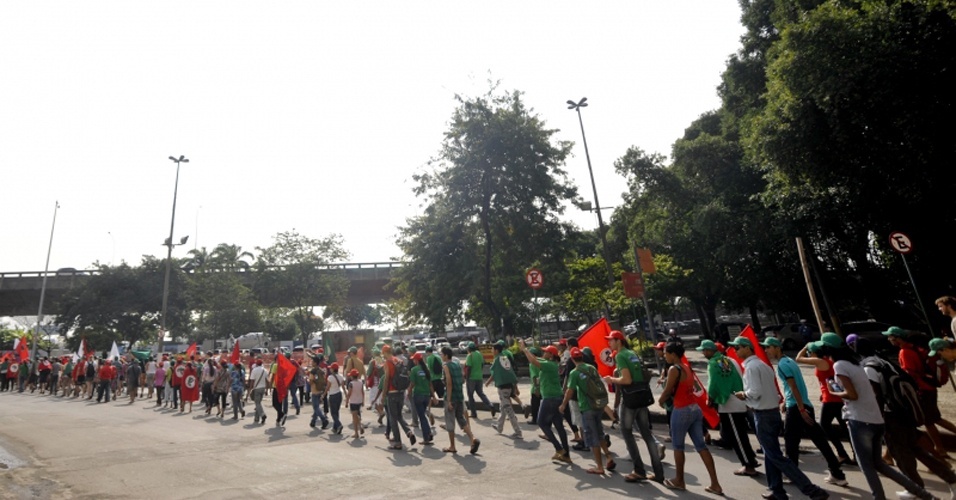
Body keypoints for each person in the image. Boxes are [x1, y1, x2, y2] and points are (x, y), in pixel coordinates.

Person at [818, 333, 938, 500]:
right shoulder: (856, 364)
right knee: (879, 464)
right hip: (876, 420)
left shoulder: (839, 365)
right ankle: (925, 495)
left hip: (860, 420)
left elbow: (852, 394)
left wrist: (833, 391)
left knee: (866, 466)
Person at [731, 336, 830, 500]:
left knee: (775, 455)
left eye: (738, 347)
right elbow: (776, 392)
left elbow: (755, 393)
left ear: (747, 349)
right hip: (772, 412)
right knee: (771, 454)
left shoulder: (752, 368)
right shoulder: (764, 366)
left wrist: (743, 395)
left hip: (762, 414)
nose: (736, 351)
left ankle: (811, 489)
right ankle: (776, 489)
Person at [762, 336, 847, 487]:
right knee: (818, 440)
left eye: (768, 347)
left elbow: (794, 387)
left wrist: (800, 408)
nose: (766, 350)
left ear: (777, 348)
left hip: (798, 407)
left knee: (791, 441)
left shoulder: (783, 364)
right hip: (800, 404)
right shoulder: (789, 361)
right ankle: (837, 473)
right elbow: (792, 387)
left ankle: (792, 474)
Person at [655, 342, 722, 494]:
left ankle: (679, 480)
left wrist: (660, 401)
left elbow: (667, 391)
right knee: (701, 446)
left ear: (673, 354)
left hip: (681, 410)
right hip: (694, 409)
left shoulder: (674, 368)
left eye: (666, 353)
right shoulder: (687, 367)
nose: (665, 356)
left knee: (678, 446)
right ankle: (715, 484)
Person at [885, 326, 956, 460]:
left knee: (927, 421)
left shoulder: (904, 352)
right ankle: (939, 450)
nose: (889, 339)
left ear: (898, 338)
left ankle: (938, 451)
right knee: (932, 420)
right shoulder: (914, 348)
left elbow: (910, 374)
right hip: (928, 388)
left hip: (920, 390)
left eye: (891, 337)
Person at [605, 330, 664, 482]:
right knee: (646, 434)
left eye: (611, 340)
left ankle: (639, 470)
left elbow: (626, 380)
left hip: (630, 397)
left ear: (619, 341)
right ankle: (658, 473)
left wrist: (612, 379)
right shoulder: (632, 354)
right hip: (642, 396)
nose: (609, 343)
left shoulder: (621, 356)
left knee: (626, 432)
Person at [698, 339, 759, 477]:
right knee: (740, 434)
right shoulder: (729, 360)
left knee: (737, 436)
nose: (702, 353)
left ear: (708, 350)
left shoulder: (713, 364)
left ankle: (748, 465)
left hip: (729, 404)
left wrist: (711, 398)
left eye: (703, 350)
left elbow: (713, 384)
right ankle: (750, 459)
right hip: (739, 401)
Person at [795, 340, 855, 466]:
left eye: (810, 352)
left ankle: (842, 453)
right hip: (833, 397)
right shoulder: (828, 360)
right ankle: (854, 454)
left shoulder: (820, 361)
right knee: (845, 427)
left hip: (831, 399)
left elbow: (798, 358)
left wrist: (806, 346)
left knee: (825, 426)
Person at [560, 347, 614, 475]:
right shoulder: (591, 368)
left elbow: (570, 391)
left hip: (587, 407)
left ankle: (599, 466)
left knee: (592, 436)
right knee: (600, 433)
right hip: (598, 405)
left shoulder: (574, 372)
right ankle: (608, 457)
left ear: (573, 359)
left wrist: (563, 404)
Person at [519, 340, 572, 464]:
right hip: (557, 397)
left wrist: (525, 349)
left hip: (549, 398)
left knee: (541, 423)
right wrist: (527, 350)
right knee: (559, 427)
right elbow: (535, 358)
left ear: (551, 355)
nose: (544, 354)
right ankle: (566, 455)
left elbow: (533, 361)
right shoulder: (550, 363)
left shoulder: (549, 365)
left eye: (546, 352)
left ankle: (559, 449)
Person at [440, 346, 480, 454]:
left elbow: (448, 383)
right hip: (459, 396)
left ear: (446, 355)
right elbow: (462, 379)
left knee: (450, 422)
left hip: (451, 397)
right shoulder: (457, 365)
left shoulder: (446, 366)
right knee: (461, 419)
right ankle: (472, 438)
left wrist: (448, 400)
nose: (441, 356)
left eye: (442, 354)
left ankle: (452, 446)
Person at [378, 345, 415, 450]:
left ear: (385, 352)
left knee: (393, 418)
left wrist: (383, 395)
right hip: (401, 391)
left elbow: (386, 379)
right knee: (399, 415)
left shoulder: (388, 363)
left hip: (392, 392)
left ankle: (398, 442)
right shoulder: (399, 361)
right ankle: (408, 432)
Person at [485, 340, 522, 439]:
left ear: (496, 350)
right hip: (509, 385)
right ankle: (499, 427)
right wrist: (515, 384)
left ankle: (518, 431)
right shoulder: (504, 357)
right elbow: (510, 371)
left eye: (492, 349)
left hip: (503, 387)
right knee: (503, 408)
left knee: (509, 410)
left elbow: (493, 371)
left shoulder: (497, 360)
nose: (492, 351)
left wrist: (488, 382)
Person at [408, 352, 436, 445]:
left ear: (416, 360)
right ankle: (428, 432)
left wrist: (408, 392)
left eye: (414, 360)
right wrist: (434, 396)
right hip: (426, 396)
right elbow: (431, 385)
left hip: (418, 395)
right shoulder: (426, 370)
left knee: (422, 417)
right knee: (423, 416)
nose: (413, 361)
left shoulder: (414, 370)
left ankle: (426, 437)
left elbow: (412, 383)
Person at [464, 342, 492, 419]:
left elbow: (468, 368)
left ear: (469, 349)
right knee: (480, 393)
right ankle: (490, 405)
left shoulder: (470, 355)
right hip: (479, 377)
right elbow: (482, 364)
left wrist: (467, 378)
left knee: (470, 395)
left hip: (471, 378)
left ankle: (473, 413)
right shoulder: (479, 354)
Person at [325, 362, 346, 435]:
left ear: (333, 369)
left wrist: (323, 395)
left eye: (331, 368)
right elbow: (343, 387)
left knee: (333, 413)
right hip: (339, 394)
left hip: (333, 395)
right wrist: (346, 395)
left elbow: (327, 388)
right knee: (336, 411)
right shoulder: (341, 376)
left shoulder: (330, 377)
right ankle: (335, 427)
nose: (330, 369)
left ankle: (339, 425)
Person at [308, 364, 330, 429]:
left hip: (314, 390)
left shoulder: (313, 371)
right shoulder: (321, 370)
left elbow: (311, 382)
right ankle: (313, 421)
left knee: (316, 407)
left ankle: (324, 420)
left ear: (314, 362)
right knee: (316, 406)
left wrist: (308, 381)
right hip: (320, 389)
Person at [346, 369, 365, 439]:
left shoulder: (351, 384)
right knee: (357, 414)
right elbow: (363, 392)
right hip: (359, 401)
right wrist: (363, 401)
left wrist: (346, 402)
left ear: (351, 376)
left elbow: (349, 394)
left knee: (354, 418)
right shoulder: (361, 382)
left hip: (353, 401)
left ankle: (356, 433)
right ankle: (360, 425)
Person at [249, 359, 268, 425]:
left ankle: (263, 415)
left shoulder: (254, 370)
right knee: (258, 403)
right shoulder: (265, 370)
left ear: (256, 364)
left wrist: (250, 389)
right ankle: (256, 418)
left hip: (257, 388)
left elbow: (252, 381)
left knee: (257, 403)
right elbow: (267, 380)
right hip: (263, 388)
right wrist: (267, 390)